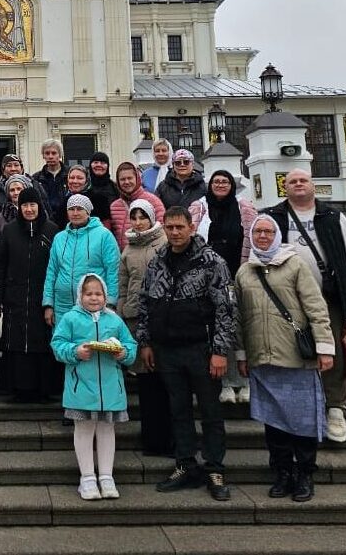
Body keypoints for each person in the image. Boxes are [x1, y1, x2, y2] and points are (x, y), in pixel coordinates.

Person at [136, 206, 235, 501]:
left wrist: (220, 351)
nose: (175, 232)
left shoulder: (211, 262)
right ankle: (185, 464)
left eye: (180, 227)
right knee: (177, 410)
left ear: (191, 227)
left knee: (210, 411)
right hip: (167, 349)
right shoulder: (158, 262)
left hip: (200, 349)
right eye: (170, 227)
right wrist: (145, 342)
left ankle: (214, 468)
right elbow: (145, 302)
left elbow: (226, 309)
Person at [234, 215, 334, 502]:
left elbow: (315, 307)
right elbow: (240, 318)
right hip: (263, 359)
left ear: (276, 234)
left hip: (295, 357)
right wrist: (242, 354)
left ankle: (304, 473)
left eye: (268, 231)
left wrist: (325, 347)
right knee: (273, 421)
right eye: (258, 232)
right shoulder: (245, 272)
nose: (263, 236)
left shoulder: (295, 265)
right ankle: (282, 472)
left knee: (302, 419)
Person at [265, 168, 346, 443]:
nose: (298, 185)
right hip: (288, 297)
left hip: (327, 295)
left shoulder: (333, 216)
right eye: (292, 182)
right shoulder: (275, 216)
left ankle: (335, 406)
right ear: (283, 187)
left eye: (303, 180)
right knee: (294, 349)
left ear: (313, 185)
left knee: (330, 347)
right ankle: (303, 405)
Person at [51, 274, 137, 500]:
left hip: (110, 389)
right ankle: (87, 477)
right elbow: (57, 344)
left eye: (98, 294)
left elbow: (130, 345)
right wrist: (75, 352)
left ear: (105, 296)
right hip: (81, 388)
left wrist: (123, 353)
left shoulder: (114, 320)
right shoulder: (70, 318)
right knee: (84, 429)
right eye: (88, 293)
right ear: (80, 295)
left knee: (107, 430)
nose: (93, 298)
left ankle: (107, 476)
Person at [189, 169, 257, 404]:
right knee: (215, 330)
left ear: (231, 185)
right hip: (206, 279)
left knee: (239, 328)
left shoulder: (243, 208)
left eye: (224, 181)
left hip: (237, 275)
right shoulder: (199, 207)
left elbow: (253, 238)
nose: (220, 185)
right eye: (216, 181)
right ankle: (226, 382)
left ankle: (243, 380)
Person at [0, 187, 59, 402]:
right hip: (15, 294)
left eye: (33, 205)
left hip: (43, 296)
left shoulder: (52, 230)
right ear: (19, 207)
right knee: (16, 341)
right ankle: (19, 388)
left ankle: (42, 388)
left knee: (41, 341)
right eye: (25, 205)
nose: (29, 209)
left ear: (39, 206)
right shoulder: (10, 230)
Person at [116, 199, 172, 456]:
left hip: (163, 321)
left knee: (165, 382)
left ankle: (169, 439)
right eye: (134, 218)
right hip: (136, 320)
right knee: (147, 385)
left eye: (142, 217)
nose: (138, 222)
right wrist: (122, 311)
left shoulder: (164, 244)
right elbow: (123, 285)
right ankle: (151, 438)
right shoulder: (128, 249)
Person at [43, 194, 121, 329]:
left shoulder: (104, 235)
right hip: (62, 307)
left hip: (93, 306)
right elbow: (52, 272)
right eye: (71, 209)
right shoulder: (59, 238)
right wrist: (48, 304)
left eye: (79, 209)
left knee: (88, 347)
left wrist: (111, 303)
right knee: (63, 346)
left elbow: (113, 271)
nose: (75, 213)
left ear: (88, 211)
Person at [109, 162, 165, 251]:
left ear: (137, 179)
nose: (126, 182)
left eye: (130, 178)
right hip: (123, 258)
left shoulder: (153, 201)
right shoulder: (114, 206)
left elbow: (162, 230)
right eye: (123, 179)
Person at [53, 165, 111, 230]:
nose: (75, 181)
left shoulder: (99, 199)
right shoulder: (65, 201)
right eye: (72, 178)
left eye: (79, 178)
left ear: (87, 180)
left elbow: (106, 225)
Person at [33, 138, 68, 221]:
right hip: (45, 221)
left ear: (60, 155)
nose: (50, 156)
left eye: (54, 153)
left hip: (67, 219)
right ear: (43, 156)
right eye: (47, 153)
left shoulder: (70, 175)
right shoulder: (36, 178)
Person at [0, 173, 32, 246]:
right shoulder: (1, 217)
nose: (16, 193)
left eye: (19, 189)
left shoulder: (35, 211)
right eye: (12, 190)